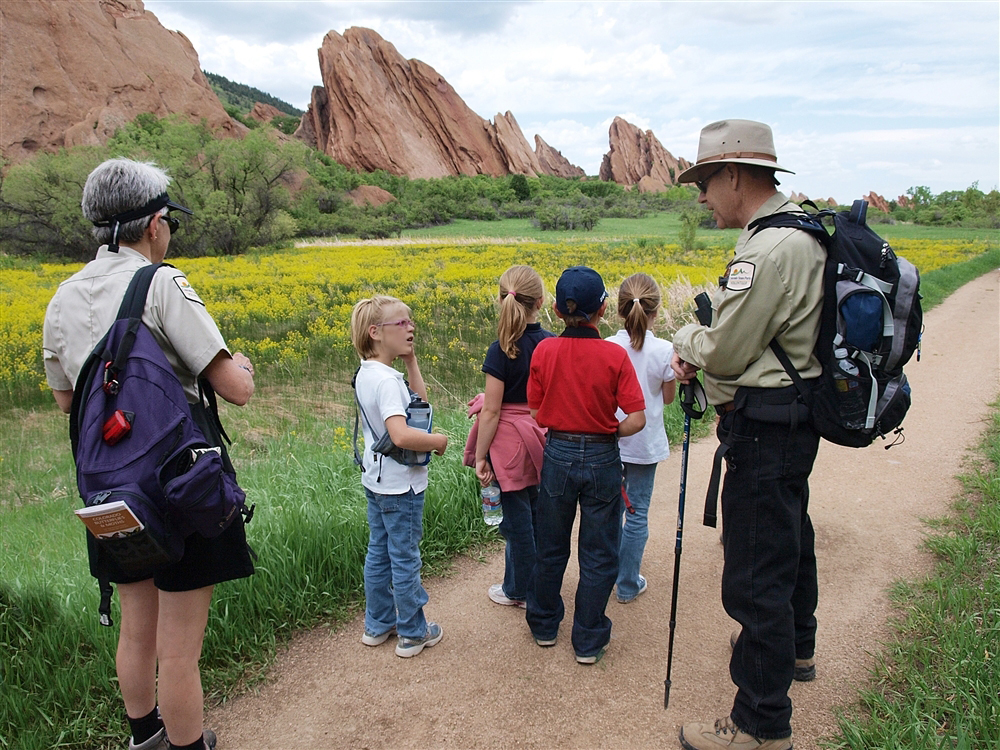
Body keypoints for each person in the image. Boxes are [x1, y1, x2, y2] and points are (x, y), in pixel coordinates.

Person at [42, 158, 256, 750]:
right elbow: (234, 389)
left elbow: (66, 399)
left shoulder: (61, 298)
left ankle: (146, 740)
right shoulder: (159, 284)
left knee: (136, 630)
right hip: (183, 485)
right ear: (155, 223)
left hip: (111, 490)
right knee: (179, 649)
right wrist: (241, 367)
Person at [670, 120, 826, 750]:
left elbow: (729, 352)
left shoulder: (765, 249)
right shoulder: (805, 228)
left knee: (755, 575)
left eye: (706, 182)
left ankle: (762, 728)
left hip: (764, 428)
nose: (703, 197)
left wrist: (685, 340)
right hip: (794, 418)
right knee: (789, 541)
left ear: (733, 173)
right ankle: (797, 651)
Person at [525, 266, 646, 664]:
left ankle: (544, 625)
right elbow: (637, 418)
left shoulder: (544, 351)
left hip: (557, 454)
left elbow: (538, 414)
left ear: (557, 311)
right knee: (598, 552)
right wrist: (609, 431)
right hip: (602, 456)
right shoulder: (615, 355)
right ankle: (588, 640)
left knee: (551, 545)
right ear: (604, 310)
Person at [350, 295, 448, 658]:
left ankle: (378, 625)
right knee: (404, 556)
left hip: (376, 481)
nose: (411, 328)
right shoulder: (388, 382)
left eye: (410, 321)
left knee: (379, 553)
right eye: (401, 323)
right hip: (401, 484)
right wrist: (439, 441)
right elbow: (402, 434)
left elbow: (418, 407)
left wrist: (412, 362)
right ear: (376, 332)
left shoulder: (368, 372)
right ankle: (412, 632)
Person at [464, 266, 554, 608]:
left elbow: (492, 412)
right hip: (542, 438)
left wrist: (482, 455)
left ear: (501, 300)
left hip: (508, 447)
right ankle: (517, 583)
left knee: (517, 526)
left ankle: (525, 591)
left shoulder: (500, 350)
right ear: (541, 303)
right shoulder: (551, 343)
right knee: (535, 514)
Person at [605, 273, 676, 604]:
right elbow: (670, 397)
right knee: (637, 513)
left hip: (609, 442)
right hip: (644, 444)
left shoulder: (605, 347)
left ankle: (606, 574)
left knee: (609, 510)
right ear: (656, 312)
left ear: (618, 311)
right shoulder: (665, 350)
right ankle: (628, 584)